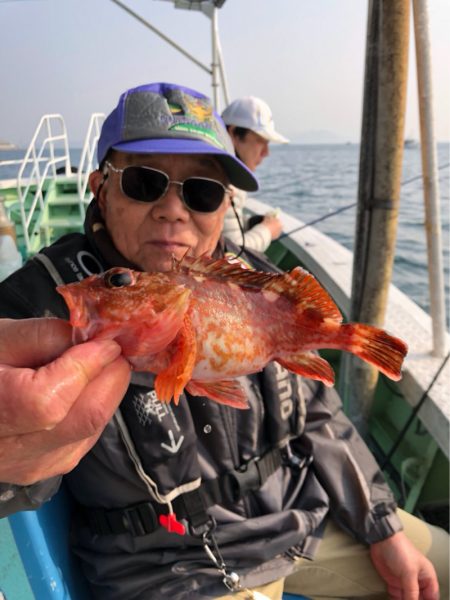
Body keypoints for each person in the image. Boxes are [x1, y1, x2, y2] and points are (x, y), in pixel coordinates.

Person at [0, 82, 448, 600]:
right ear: (101, 188)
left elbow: (321, 415)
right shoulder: (42, 303)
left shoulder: (252, 279)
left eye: (202, 191)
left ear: (224, 205)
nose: (174, 209)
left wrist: (382, 524)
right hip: (171, 568)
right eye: (145, 183)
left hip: (303, 519)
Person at [221, 96, 288, 253]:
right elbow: (233, 252)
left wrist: (250, 223)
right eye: (260, 140)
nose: (266, 152)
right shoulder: (225, 184)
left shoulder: (222, 173)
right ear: (233, 134)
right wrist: (268, 230)